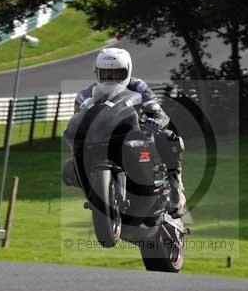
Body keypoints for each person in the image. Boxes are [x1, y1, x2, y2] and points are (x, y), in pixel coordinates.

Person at [73, 47, 186, 218]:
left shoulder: (138, 87)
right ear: (97, 73)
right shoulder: (84, 95)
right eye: (105, 74)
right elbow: (77, 120)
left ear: (127, 71)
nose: (110, 79)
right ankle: (96, 193)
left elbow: (158, 112)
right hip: (100, 140)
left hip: (134, 135)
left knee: (169, 139)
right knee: (69, 166)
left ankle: (175, 186)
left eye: (116, 74)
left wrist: (155, 121)